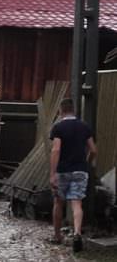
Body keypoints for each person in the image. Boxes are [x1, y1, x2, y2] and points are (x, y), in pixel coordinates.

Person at [49, 96, 97, 252]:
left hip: (62, 171)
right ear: (74, 110)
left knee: (58, 203)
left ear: (60, 111)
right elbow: (94, 150)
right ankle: (77, 233)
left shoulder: (58, 128)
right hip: (80, 170)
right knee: (77, 204)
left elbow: (56, 150)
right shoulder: (84, 127)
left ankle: (57, 236)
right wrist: (86, 163)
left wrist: (52, 173)